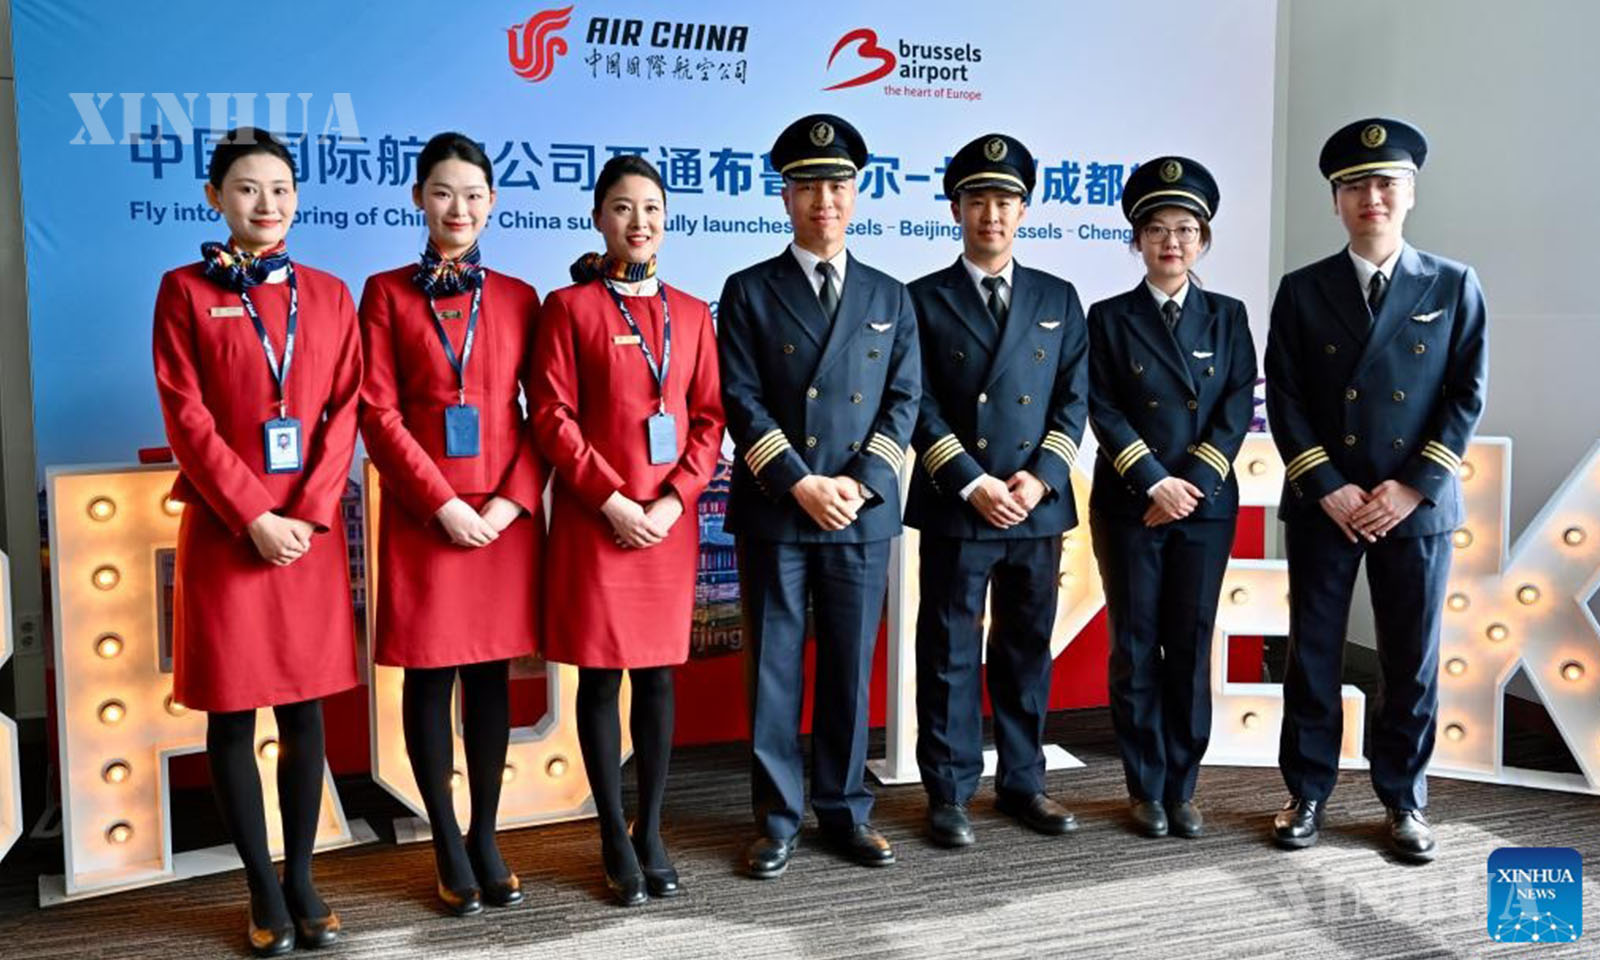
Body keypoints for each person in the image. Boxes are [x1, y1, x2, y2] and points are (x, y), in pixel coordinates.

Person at [152, 126, 360, 956]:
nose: (265, 203)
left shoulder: (330, 295)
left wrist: (305, 514)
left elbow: (345, 411)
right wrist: (253, 515)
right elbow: (186, 416)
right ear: (214, 198)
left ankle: (302, 876)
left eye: (279, 188)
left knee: (305, 711)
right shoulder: (183, 291)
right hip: (227, 532)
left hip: (307, 536)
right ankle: (262, 890)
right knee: (234, 717)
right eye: (246, 188)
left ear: (296, 197)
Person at [1266, 118, 1487, 862]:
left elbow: (1466, 395)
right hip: (1326, 504)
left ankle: (1404, 799)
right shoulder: (1303, 290)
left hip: (1413, 507)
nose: (1372, 197)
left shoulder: (1453, 283)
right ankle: (1307, 792)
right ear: (1336, 201)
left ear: (1411, 193)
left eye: (1386, 183)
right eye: (1355, 185)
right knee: (1314, 654)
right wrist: (1327, 485)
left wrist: (1413, 487)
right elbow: (1286, 396)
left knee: (1409, 659)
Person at [718, 113, 920, 878]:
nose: (823, 200)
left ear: (857, 193)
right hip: (779, 506)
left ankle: (844, 812)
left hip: (858, 515)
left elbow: (904, 400)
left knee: (847, 671)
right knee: (773, 673)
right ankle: (775, 819)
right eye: (807, 186)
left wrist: (859, 486)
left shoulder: (889, 295)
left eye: (837, 185)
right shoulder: (749, 290)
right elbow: (740, 398)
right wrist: (799, 482)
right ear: (785, 196)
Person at [357, 132, 545, 915]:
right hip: (425, 517)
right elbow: (377, 411)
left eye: (472, 195)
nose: (458, 208)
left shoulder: (521, 298)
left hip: (501, 521)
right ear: (418, 199)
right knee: (430, 678)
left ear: (492, 203)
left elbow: (545, 414)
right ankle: (443, 839)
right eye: (442, 192)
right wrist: (442, 503)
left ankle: (486, 834)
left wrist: (507, 503)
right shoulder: (384, 294)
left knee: (493, 676)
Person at [531, 154, 725, 905]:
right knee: (600, 676)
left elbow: (708, 419)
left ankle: (651, 829)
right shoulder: (568, 308)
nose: (638, 222)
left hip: (668, 523)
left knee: (658, 676)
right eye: (622, 207)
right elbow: (552, 416)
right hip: (597, 521)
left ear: (666, 220)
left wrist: (675, 500)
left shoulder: (693, 312)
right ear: (597, 218)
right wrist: (611, 500)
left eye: (651, 208)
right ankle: (612, 833)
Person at [905, 133, 1089, 848]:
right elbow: (916, 403)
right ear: (956, 209)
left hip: (1034, 506)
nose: (992, 214)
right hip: (961, 502)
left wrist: (1039, 478)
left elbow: (1073, 400)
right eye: (978, 200)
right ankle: (949, 792)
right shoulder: (921, 298)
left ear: (1024, 210)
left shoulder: (1057, 296)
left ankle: (1023, 781)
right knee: (949, 651)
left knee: (1026, 649)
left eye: (1006, 200)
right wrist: (972, 481)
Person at [1085, 156, 1257, 840]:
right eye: (1156, 229)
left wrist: (1191, 486)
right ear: (1137, 240)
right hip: (1131, 503)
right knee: (1135, 645)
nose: (1171, 242)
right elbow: (1102, 407)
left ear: (1203, 239)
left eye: (1186, 229)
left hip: (1205, 508)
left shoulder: (1228, 316)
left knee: (1188, 644)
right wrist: (1154, 480)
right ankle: (1143, 787)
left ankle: (1182, 787)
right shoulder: (1109, 317)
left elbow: (1236, 406)